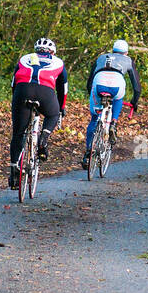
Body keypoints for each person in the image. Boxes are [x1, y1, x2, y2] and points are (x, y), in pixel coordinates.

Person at [8, 38, 68, 189]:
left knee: (18, 133)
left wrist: (17, 100)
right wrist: (61, 108)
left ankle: (14, 168)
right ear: (52, 52)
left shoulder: (25, 58)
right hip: (45, 92)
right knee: (53, 114)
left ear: (36, 49)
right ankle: (43, 139)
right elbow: (63, 89)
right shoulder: (58, 62)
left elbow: (13, 83)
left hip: (22, 91)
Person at [82, 39, 141, 169]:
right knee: (118, 98)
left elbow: (89, 82)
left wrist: (92, 95)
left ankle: (88, 153)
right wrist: (134, 102)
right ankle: (113, 122)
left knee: (94, 118)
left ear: (113, 50)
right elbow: (136, 87)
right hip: (117, 83)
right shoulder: (128, 60)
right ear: (126, 52)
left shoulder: (101, 57)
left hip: (99, 82)